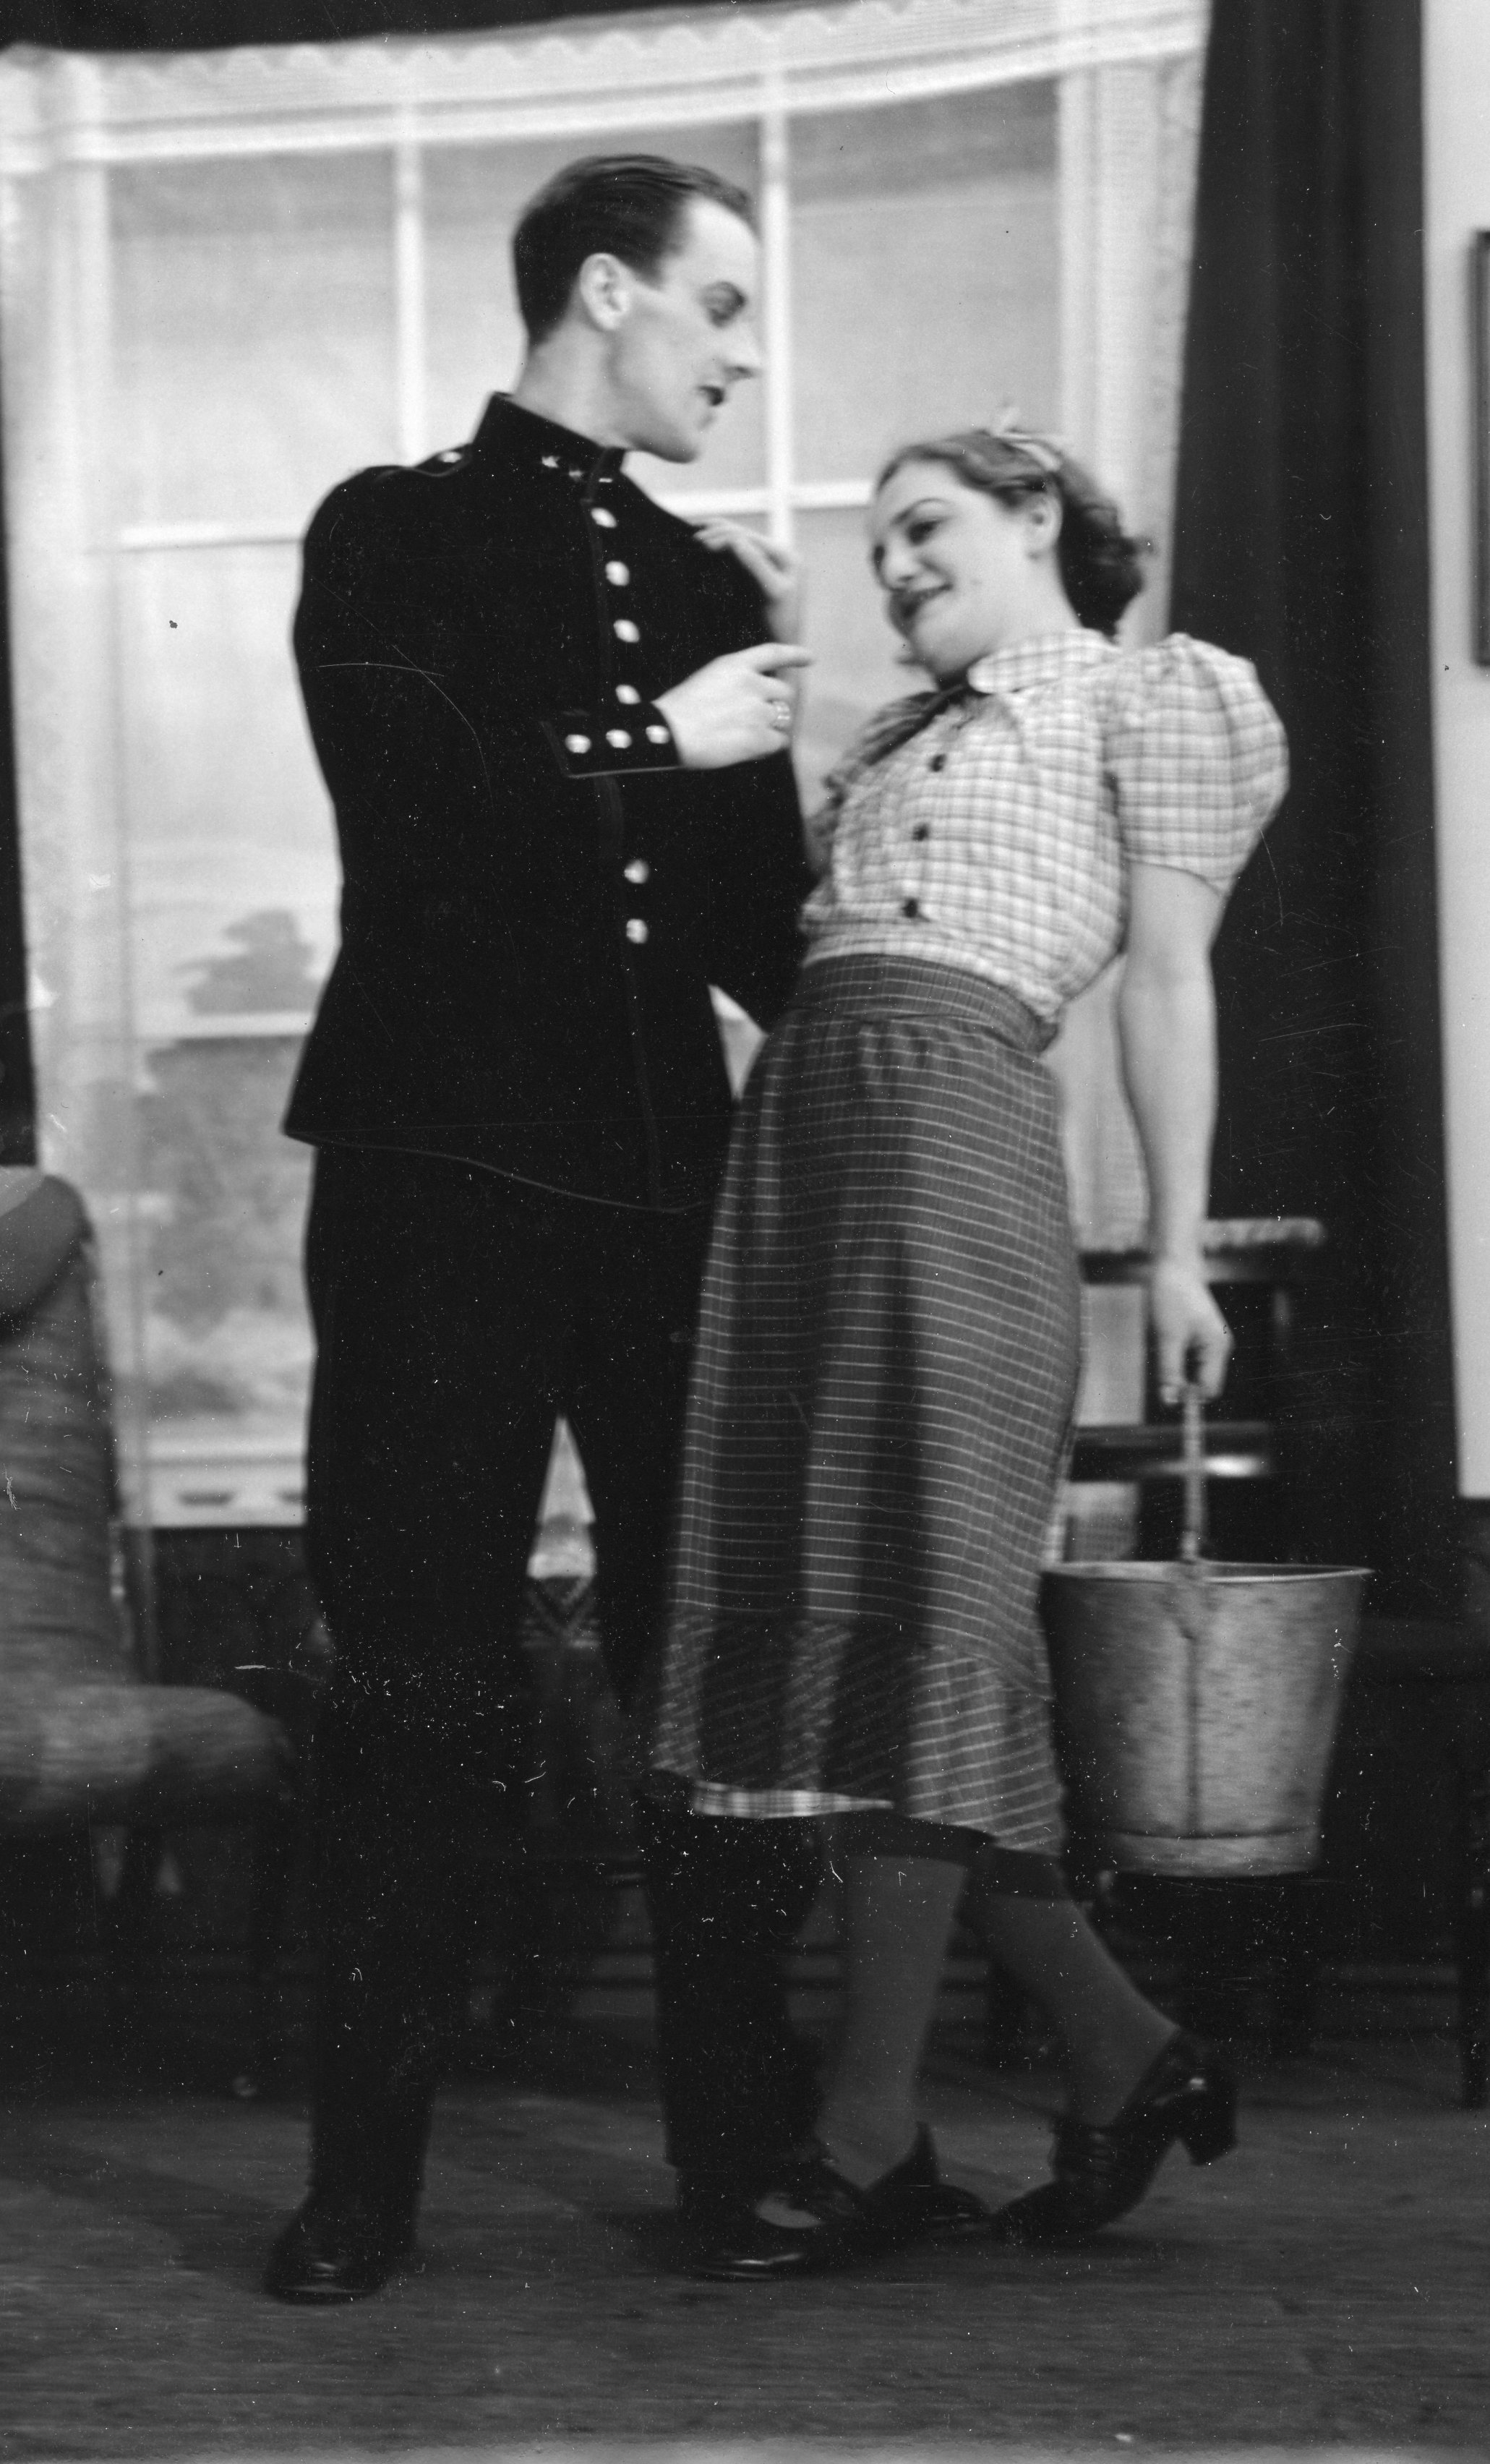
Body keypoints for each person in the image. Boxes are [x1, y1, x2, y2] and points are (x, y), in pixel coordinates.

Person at [267, 153, 827, 2303]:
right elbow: (401, 805)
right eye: (719, 308)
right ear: (604, 293)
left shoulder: (708, 582)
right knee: (418, 1681)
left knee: (699, 1675)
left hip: (662, 1201)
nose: (741, 356)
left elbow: (755, 936)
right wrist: (651, 734)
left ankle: (737, 2161)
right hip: (434, 1187)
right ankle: (358, 2191)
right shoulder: (387, 526)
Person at [646, 424, 1288, 2277]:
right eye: (876, 549)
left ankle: (866, 2131)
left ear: (1036, 518)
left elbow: (1166, 979)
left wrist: (1175, 1248)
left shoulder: (1157, 697)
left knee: (928, 1618)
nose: (896, 567)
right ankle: (1128, 2053)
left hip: (955, 1138)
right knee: (851, 1639)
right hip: (799, 1151)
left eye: (923, 526)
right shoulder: (882, 741)